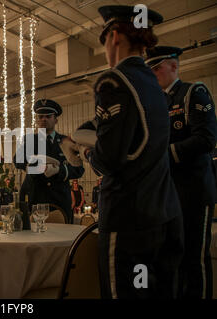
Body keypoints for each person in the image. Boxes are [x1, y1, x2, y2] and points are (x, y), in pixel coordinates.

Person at [75, 6, 184, 298]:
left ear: (113, 36)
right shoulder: (157, 88)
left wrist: (87, 152)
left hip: (129, 220)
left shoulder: (114, 82)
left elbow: (109, 159)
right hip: (165, 212)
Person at [146, 46, 216, 299]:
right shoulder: (157, 103)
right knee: (171, 257)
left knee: (194, 258)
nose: (152, 74)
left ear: (173, 66)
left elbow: (207, 139)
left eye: (156, 68)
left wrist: (163, 156)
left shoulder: (192, 92)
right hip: (168, 193)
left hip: (194, 190)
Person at [14, 99, 85, 224]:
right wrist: (30, 166)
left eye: (48, 116)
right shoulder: (30, 140)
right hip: (36, 197)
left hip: (60, 199)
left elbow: (79, 169)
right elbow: (17, 159)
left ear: (56, 119)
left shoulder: (66, 141)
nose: (44, 119)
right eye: (40, 116)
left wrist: (60, 170)